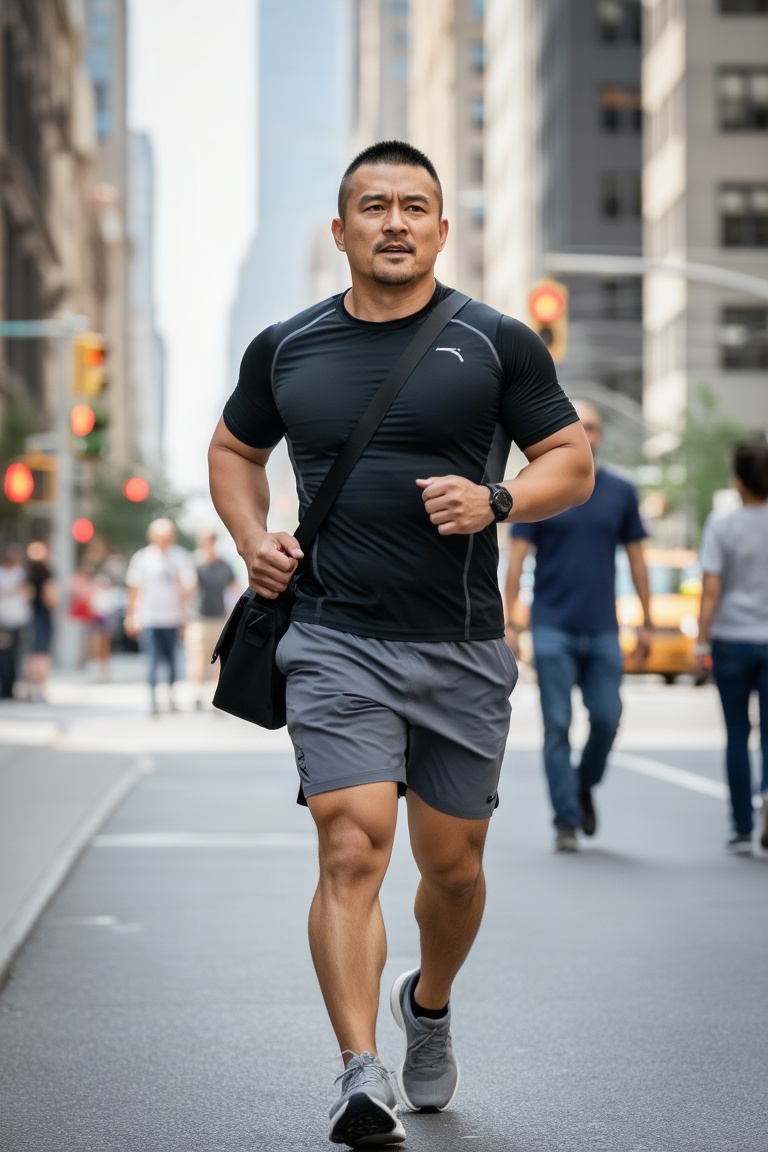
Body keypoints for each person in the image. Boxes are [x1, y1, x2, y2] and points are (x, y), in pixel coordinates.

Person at [208, 140, 594, 1149]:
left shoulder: (497, 341)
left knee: (453, 869)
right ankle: (358, 1074)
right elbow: (233, 450)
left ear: (440, 228)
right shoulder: (287, 348)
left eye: (414, 206)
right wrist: (254, 540)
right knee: (349, 845)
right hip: (335, 636)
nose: (394, 222)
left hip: (461, 645)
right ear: (341, 232)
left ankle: (426, 1004)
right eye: (373, 207)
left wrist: (498, 495)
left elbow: (572, 459)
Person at [505, 400, 653, 853]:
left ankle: (582, 785)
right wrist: (511, 621)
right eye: (578, 426)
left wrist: (646, 621)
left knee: (607, 718)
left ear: (600, 435)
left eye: (592, 426)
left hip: (604, 626)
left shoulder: (621, 492)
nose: (585, 433)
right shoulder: (541, 486)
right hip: (552, 626)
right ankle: (565, 820)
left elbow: (637, 558)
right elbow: (515, 561)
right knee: (557, 725)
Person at [696, 440, 768, 855]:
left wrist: (702, 639)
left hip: (733, 641)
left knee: (738, 733)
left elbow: (712, 587)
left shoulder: (723, 525)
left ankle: (741, 826)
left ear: (739, 481)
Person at [124, 519, 197, 715]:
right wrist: (131, 615)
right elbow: (134, 589)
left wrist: (185, 617)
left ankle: (172, 695)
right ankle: (153, 700)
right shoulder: (143, 558)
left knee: (173, 660)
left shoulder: (181, 557)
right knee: (151, 660)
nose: (165, 540)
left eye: (168, 536)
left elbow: (190, 589)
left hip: (173, 618)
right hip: (149, 618)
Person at [185, 531, 239, 709]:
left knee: (218, 660)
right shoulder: (194, 564)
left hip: (219, 617)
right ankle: (197, 693)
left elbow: (235, 588)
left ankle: (216, 695)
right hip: (198, 618)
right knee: (198, 658)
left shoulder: (224, 565)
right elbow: (187, 590)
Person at [24, 541, 57, 702]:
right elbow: (51, 598)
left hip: (27, 617)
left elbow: (25, 596)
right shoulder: (47, 574)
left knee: (30, 653)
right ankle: (41, 689)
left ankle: (31, 688)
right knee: (42, 653)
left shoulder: (25, 573)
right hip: (42, 616)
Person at [0, 543, 32, 699]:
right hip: (3, 621)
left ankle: (13, 686)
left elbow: (28, 594)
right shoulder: (2, 573)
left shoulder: (22, 574)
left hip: (19, 620)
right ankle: (5, 687)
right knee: (3, 656)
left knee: (17, 655)